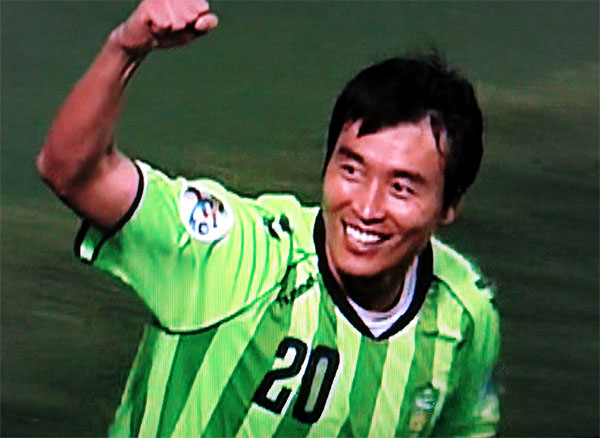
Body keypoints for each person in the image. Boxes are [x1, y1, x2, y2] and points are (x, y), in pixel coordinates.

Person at [37, 0, 500, 436]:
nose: (366, 207)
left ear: (449, 204)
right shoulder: (240, 257)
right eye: (351, 170)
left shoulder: (464, 313)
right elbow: (73, 173)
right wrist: (125, 48)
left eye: (401, 187)